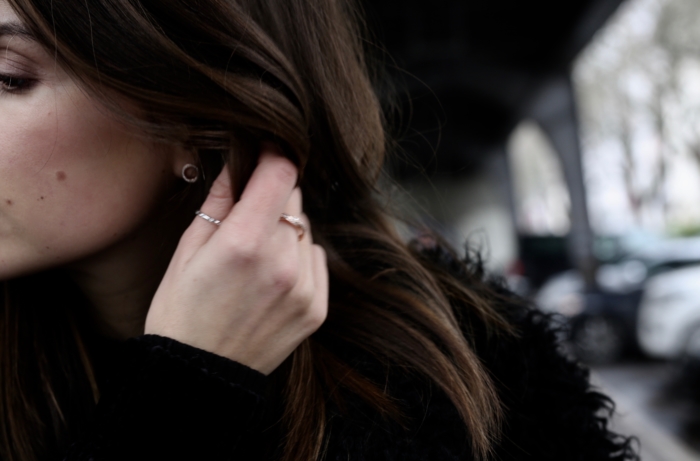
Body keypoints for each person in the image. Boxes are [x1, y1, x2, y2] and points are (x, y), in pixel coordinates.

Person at [0, 0, 638, 460]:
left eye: (7, 77)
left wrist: (185, 391)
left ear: (199, 119)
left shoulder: (457, 389)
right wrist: (179, 392)